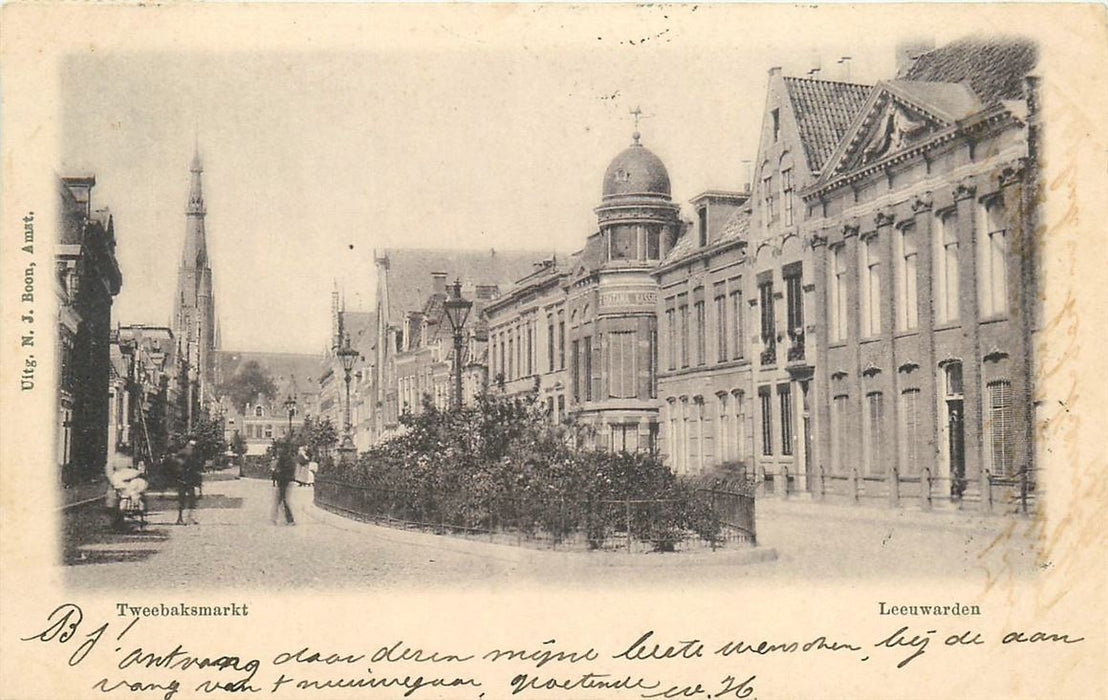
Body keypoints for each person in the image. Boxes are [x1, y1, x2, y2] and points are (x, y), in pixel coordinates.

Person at [176, 440, 202, 525]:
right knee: (188, 499)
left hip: (184, 480)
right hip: (186, 480)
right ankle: (185, 518)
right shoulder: (189, 455)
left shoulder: (183, 454)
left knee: (185, 499)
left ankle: (184, 518)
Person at [272, 438, 296, 525]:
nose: (278, 449)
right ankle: (277, 518)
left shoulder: (286, 458)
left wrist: (277, 472)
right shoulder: (284, 457)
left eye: (280, 448)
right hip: (282, 480)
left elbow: (286, 470)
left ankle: (288, 520)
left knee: (282, 500)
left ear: (284, 448)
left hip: (284, 481)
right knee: (280, 500)